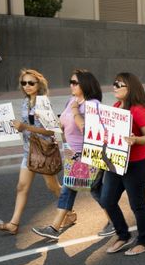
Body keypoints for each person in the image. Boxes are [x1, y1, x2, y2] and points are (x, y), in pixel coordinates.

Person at [31, 70, 110, 241]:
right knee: (94, 190)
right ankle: (115, 221)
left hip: (87, 155)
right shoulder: (71, 101)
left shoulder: (93, 104)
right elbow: (62, 125)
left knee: (69, 187)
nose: (71, 85)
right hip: (71, 153)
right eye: (71, 82)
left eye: (75, 82)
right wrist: (46, 119)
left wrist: (76, 111)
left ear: (85, 85)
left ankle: (54, 228)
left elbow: (88, 130)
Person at [0, 69, 62, 235]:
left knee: (53, 186)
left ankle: (69, 211)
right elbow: (23, 127)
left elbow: (51, 131)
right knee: (21, 187)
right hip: (28, 151)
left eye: (31, 83)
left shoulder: (43, 103)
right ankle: (14, 223)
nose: (27, 86)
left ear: (39, 84)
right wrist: (5, 126)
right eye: (24, 83)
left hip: (43, 152)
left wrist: (25, 127)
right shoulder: (25, 102)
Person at [100, 73, 145, 256]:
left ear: (130, 88)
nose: (114, 87)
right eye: (114, 83)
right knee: (107, 200)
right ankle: (123, 235)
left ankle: (143, 241)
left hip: (137, 165)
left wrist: (135, 139)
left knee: (137, 205)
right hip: (117, 162)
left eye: (119, 84)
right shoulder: (116, 107)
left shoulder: (139, 110)